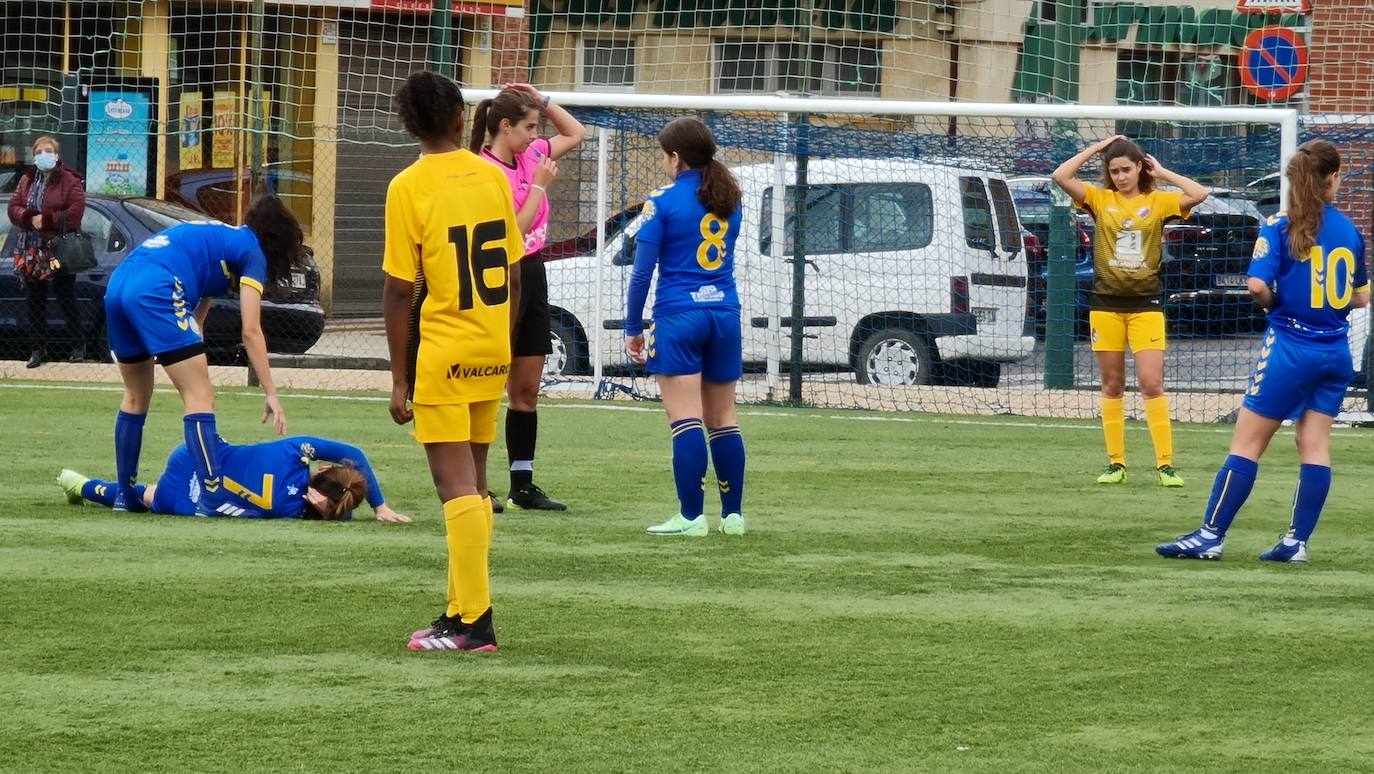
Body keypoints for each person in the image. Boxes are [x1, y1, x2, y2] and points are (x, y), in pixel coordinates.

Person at [1156, 140, 1368, 564]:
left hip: (1291, 347)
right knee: (1314, 445)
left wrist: (1276, 304)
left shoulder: (1280, 224)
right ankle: (1296, 542)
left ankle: (1211, 535)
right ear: (1330, 180)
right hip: (1334, 351)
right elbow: (1361, 298)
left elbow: (1255, 285)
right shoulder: (1349, 230)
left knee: (1247, 445)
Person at [384, 71, 524, 652]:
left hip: (443, 350)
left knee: (453, 486)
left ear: (407, 125)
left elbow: (398, 290)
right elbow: (514, 272)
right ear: (463, 119)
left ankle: (476, 623)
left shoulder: (408, 186)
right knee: (477, 483)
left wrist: (399, 379)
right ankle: (459, 608)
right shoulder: (492, 179)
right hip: (491, 346)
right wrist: (503, 343)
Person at [103, 195, 305, 516]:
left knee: (135, 398)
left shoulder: (224, 237)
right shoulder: (253, 252)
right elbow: (250, 329)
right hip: (158, 286)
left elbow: (197, 314)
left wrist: (189, 355)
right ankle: (212, 497)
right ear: (278, 240)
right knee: (199, 396)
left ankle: (125, 496)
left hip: (120, 284)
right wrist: (271, 392)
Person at [1052, 135, 1209, 487]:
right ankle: (1116, 464)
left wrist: (1164, 172)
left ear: (1140, 168)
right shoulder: (1099, 199)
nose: (1121, 176)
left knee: (1152, 383)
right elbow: (1061, 177)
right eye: (1114, 171)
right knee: (1112, 384)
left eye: (1127, 169)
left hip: (1146, 307)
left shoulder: (1158, 201)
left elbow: (1199, 194)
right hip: (1105, 307)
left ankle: (1165, 466)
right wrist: (1096, 148)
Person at [625, 117, 747, 538]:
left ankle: (692, 517)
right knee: (724, 418)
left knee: (686, 419)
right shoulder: (731, 198)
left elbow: (641, 275)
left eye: (664, 155)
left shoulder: (661, 202)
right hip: (725, 314)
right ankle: (733, 516)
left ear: (675, 158)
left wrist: (631, 326)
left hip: (679, 316)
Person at [470, 83, 586, 512]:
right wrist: (538, 187)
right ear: (505, 127)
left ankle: (522, 485)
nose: (537, 135)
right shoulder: (484, 171)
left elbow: (576, 134)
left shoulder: (532, 154)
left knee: (526, 390)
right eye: (530, 127)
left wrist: (544, 102)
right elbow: (510, 231)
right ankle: (474, 485)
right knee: (483, 386)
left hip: (532, 274)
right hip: (498, 279)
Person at [56, 435, 410, 522]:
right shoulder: (291, 511)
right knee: (148, 497)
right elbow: (337, 510)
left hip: (194, 453)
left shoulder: (294, 452)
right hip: (185, 503)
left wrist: (381, 505)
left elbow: (356, 455)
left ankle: (80, 484)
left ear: (323, 470)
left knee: (146, 492)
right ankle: (82, 485)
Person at [7, 135, 87, 367]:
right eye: (39, 151)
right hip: (31, 248)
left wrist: (49, 220)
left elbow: (76, 213)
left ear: (57, 155)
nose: (44, 155)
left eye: (48, 151)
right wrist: (29, 217)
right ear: (34, 156)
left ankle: (77, 346)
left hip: (57, 248)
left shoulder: (70, 180)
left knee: (65, 295)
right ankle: (37, 349)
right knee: (35, 299)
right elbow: (13, 207)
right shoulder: (27, 180)